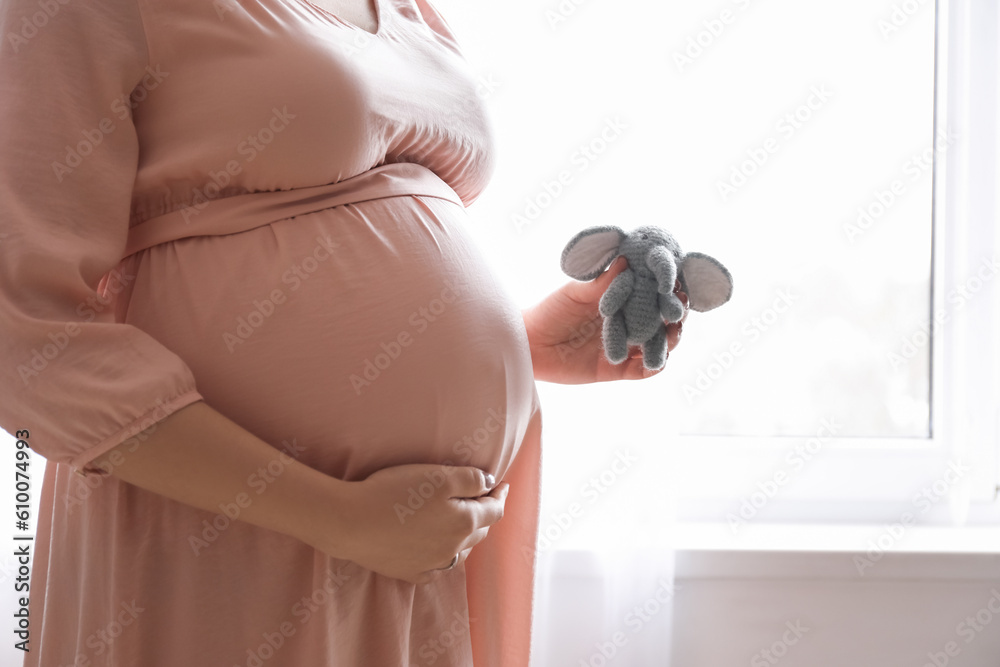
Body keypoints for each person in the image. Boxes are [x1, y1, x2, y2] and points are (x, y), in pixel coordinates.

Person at [0, 0, 686, 664]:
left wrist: (529, 342)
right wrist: (339, 516)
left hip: (422, 555)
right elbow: (22, 335)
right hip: (225, 534)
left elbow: (366, 253)